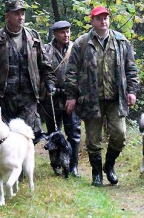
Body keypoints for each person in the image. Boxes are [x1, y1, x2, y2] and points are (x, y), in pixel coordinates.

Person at [64, 6, 139, 187]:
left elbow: (131, 68)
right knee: (93, 139)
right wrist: (71, 95)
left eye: (106, 18)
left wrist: (132, 90)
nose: (103, 21)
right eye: (99, 18)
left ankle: (109, 166)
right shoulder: (82, 43)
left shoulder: (121, 41)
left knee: (120, 135)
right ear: (92, 21)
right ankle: (96, 173)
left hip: (116, 97)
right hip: (91, 99)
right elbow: (71, 71)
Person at [0, 0, 55, 144]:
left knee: (28, 134)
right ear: (7, 16)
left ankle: (26, 165)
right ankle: (9, 165)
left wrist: (49, 82)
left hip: (28, 94)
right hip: (4, 96)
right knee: (6, 135)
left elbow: (44, 62)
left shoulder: (33, 37)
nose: (21, 17)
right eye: (16, 13)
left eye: (22, 13)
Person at [40, 20, 82, 177]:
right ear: (55, 34)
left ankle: (73, 166)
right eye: (62, 32)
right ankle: (56, 164)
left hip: (71, 97)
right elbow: (42, 71)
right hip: (52, 98)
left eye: (68, 31)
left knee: (74, 132)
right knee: (53, 133)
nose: (66, 35)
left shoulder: (76, 48)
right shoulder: (46, 50)